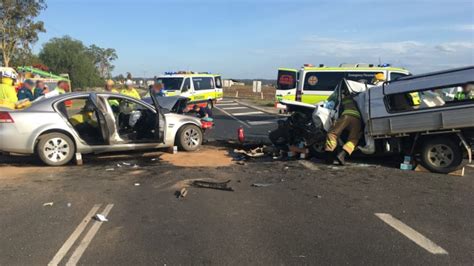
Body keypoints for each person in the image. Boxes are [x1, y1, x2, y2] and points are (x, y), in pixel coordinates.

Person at [325, 89, 361, 165]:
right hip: (357, 119)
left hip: (346, 116)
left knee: (332, 134)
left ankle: (329, 156)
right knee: (353, 139)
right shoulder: (357, 98)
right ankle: (342, 155)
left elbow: (335, 110)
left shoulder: (341, 99)